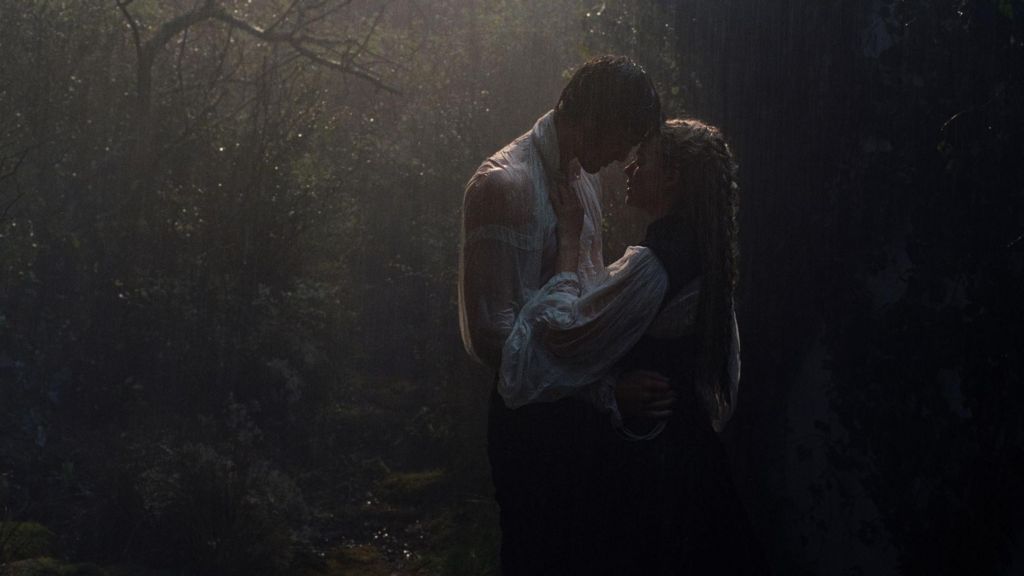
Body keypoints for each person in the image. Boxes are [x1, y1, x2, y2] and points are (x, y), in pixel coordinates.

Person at [504, 118, 766, 574]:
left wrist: (568, 241)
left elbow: (565, 336)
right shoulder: (698, 248)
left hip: (657, 474)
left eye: (642, 160)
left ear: (671, 177)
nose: (628, 168)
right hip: (685, 460)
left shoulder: (657, 263)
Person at [457, 55, 667, 575]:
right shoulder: (504, 185)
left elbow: (581, 309)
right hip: (529, 427)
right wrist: (605, 393)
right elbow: (493, 341)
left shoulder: (582, 181)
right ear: (597, 120)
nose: (624, 157)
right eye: (626, 136)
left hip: (576, 423)